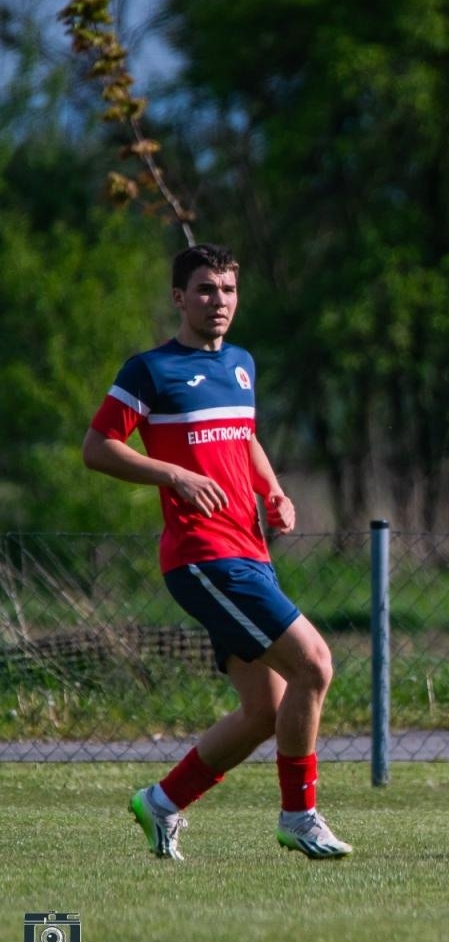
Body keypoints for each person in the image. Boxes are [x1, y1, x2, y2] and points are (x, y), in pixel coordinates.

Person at [83, 244, 351, 861]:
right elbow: (97, 448)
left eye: (228, 290)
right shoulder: (150, 370)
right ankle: (299, 817)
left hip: (249, 551)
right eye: (206, 289)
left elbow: (243, 437)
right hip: (203, 557)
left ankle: (161, 802)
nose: (219, 301)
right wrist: (173, 475)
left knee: (265, 710)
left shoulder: (241, 364)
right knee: (314, 664)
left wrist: (273, 489)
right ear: (179, 298)